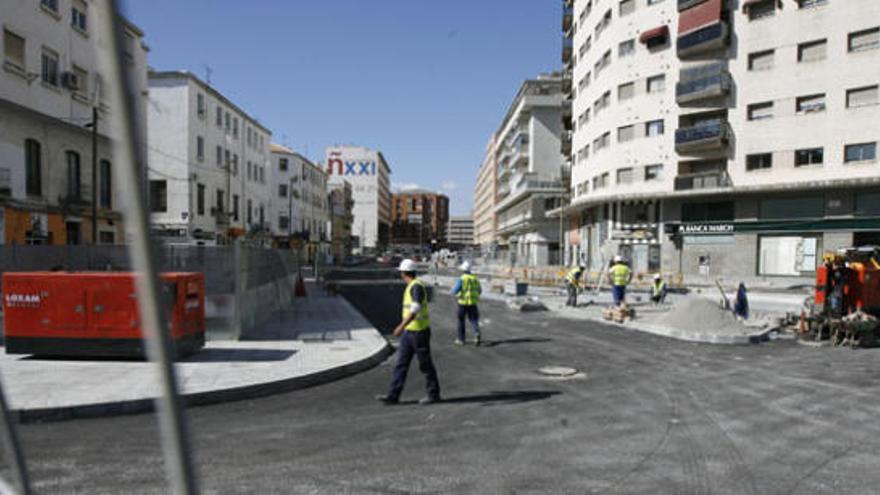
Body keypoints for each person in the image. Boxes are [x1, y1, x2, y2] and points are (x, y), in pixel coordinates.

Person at [376, 259, 441, 405]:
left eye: (401, 272)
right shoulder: (412, 286)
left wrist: (401, 325)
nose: (400, 275)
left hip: (419, 332)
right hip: (409, 332)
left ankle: (433, 394)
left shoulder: (416, 286)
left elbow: (416, 308)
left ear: (404, 273)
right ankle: (393, 396)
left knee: (425, 364)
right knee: (401, 364)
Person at [451, 261, 482, 346]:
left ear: (463, 270)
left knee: (461, 321)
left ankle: (461, 339)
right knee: (474, 320)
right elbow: (479, 290)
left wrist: (455, 293)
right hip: (473, 303)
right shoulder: (475, 278)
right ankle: (476, 332)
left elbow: (455, 291)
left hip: (463, 303)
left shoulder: (462, 278)